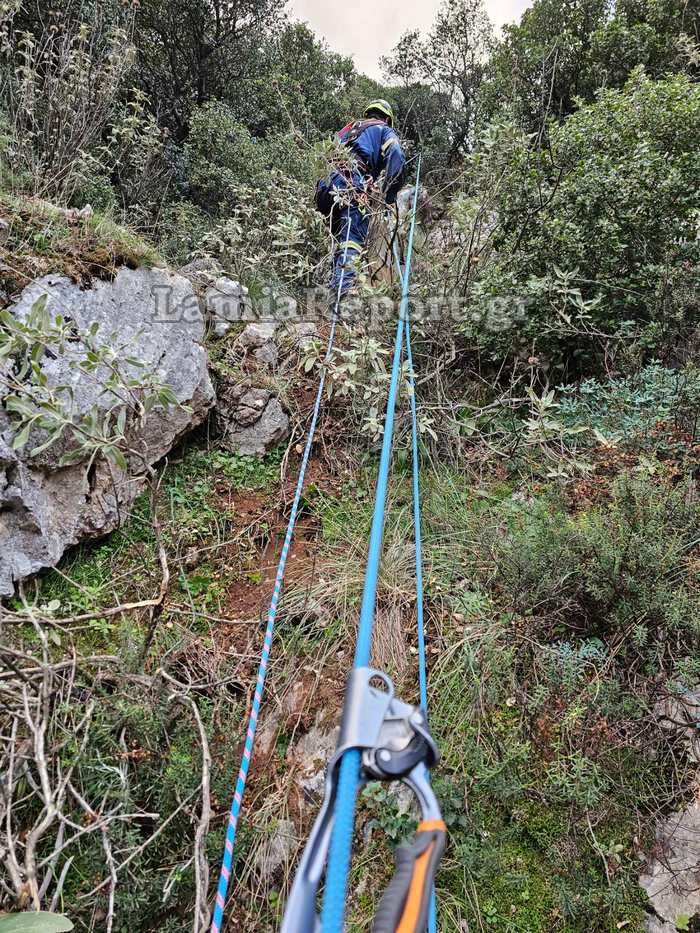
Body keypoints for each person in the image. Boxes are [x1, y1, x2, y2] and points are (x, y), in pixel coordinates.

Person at [315, 99, 406, 296]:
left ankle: (335, 289)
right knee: (352, 239)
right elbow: (396, 154)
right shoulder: (383, 129)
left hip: (324, 185)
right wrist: (389, 196)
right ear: (387, 118)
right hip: (350, 181)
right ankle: (340, 301)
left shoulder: (347, 130)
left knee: (339, 240)